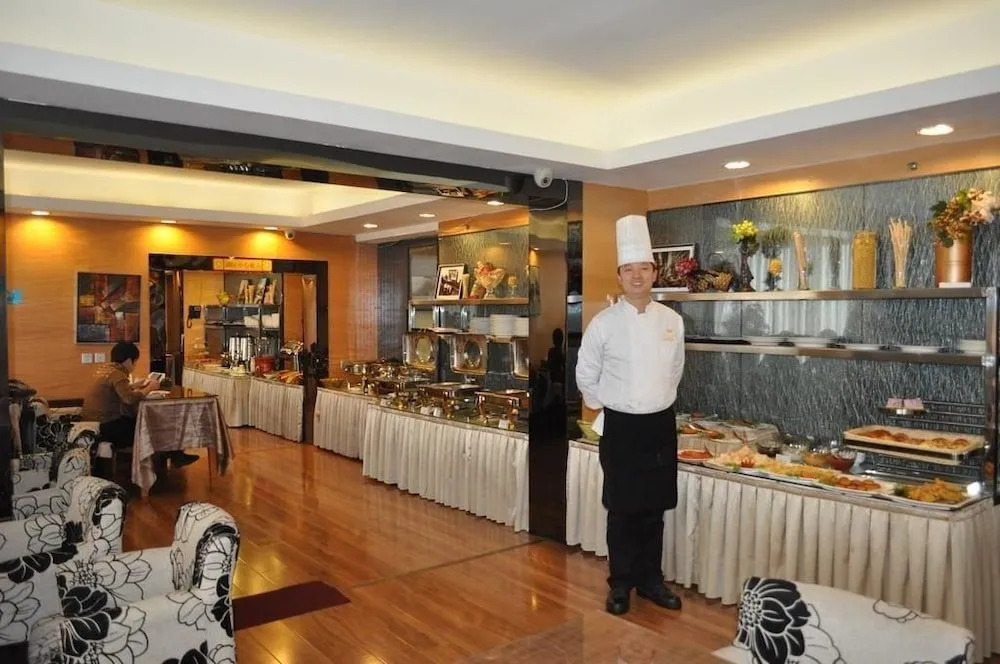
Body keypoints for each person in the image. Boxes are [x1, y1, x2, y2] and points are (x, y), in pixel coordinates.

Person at [575, 214, 685, 616]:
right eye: (629, 269)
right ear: (619, 276)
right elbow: (585, 374)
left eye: (644, 268)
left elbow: (675, 370)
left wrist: (656, 400)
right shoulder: (603, 323)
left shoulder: (672, 321)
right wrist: (610, 404)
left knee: (654, 508)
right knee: (622, 509)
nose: (637, 276)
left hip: (659, 424)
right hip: (621, 425)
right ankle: (621, 583)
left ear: (654, 273)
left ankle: (651, 580)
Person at [82, 341, 199, 469]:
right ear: (128, 361)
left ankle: (173, 455)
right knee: (154, 424)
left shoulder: (105, 370)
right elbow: (129, 399)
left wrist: (135, 386)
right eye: (135, 362)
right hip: (107, 427)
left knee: (148, 421)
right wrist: (149, 388)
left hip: (94, 424)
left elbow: (118, 391)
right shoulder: (118, 374)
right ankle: (168, 460)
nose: (134, 366)